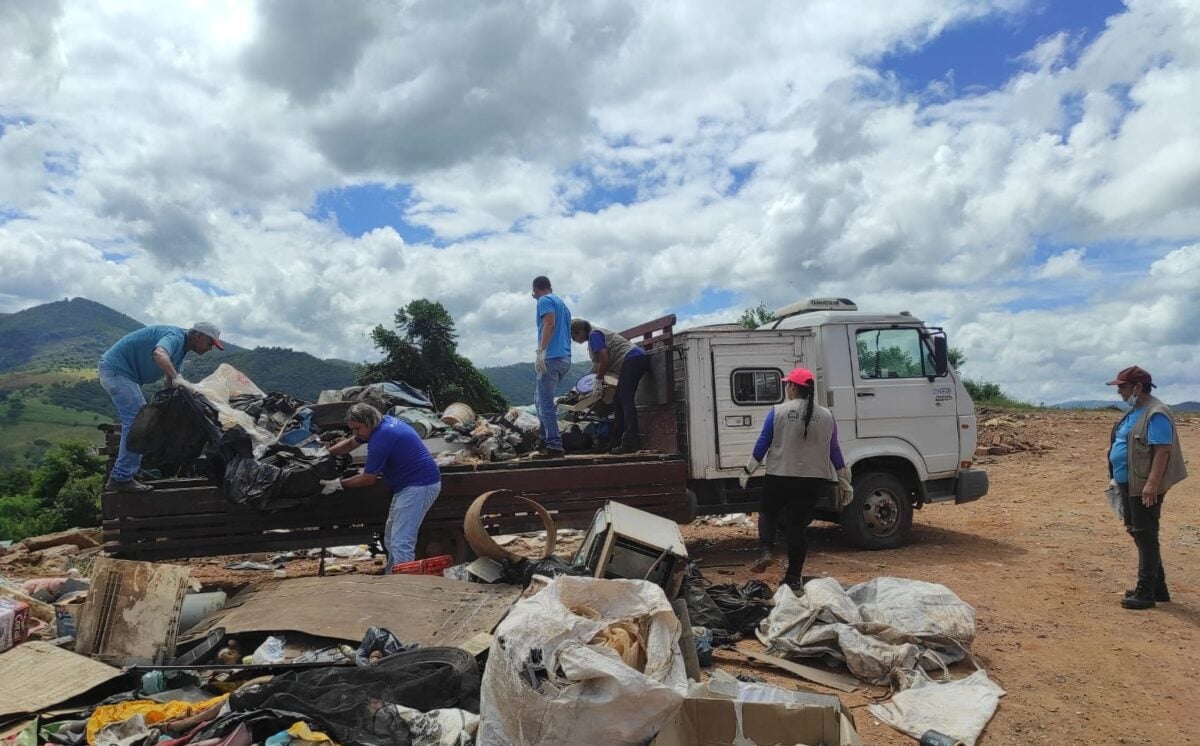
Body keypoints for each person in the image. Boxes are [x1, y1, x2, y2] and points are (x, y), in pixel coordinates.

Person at [738, 367, 847, 589]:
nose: (787, 388)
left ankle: (766, 550)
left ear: (794, 387)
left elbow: (763, 442)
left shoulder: (778, 411)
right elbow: (834, 450)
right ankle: (793, 578)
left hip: (779, 476)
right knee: (797, 527)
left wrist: (748, 470)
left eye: (787, 384)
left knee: (768, 512)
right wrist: (845, 479)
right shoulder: (827, 416)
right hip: (812, 480)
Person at [98, 321, 224, 492]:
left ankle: (131, 470)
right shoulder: (175, 337)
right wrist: (176, 377)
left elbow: (170, 382)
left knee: (146, 418)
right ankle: (121, 477)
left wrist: (190, 393)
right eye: (210, 343)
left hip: (123, 375)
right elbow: (159, 353)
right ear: (198, 335)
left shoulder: (181, 351)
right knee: (138, 421)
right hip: (116, 371)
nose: (210, 348)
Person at [321, 403, 442, 571]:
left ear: (368, 422)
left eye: (357, 428)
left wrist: (338, 484)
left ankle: (405, 586)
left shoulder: (381, 438)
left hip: (418, 486)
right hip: (408, 485)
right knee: (391, 537)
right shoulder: (382, 422)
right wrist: (325, 454)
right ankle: (394, 574)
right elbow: (350, 444)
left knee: (401, 540)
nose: (355, 433)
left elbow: (368, 479)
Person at [1105, 366, 1188, 610]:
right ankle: (1157, 589)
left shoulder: (1156, 413)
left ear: (1137, 388)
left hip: (1143, 485)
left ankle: (1145, 593)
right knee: (1139, 532)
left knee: (1145, 534)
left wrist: (1151, 485)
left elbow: (1162, 451)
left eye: (1122, 386)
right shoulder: (1136, 410)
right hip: (1128, 482)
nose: (1119, 391)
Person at [570, 318, 648, 454]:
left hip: (632, 358)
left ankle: (630, 442)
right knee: (618, 401)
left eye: (573, 336)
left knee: (625, 399)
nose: (573, 340)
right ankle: (616, 441)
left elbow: (604, 360)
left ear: (580, 332)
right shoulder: (593, 337)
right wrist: (582, 386)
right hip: (632, 359)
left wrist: (598, 380)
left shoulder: (594, 335)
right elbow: (596, 366)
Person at [530, 275, 572, 458]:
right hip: (564, 358)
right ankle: (543, 439)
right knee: (539, 400)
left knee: (545, 403)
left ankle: (554, 446)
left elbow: (549, 324)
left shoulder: (544, 300)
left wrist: (541, 351)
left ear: (536, 289)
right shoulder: (562, 304)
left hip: (552, 357)